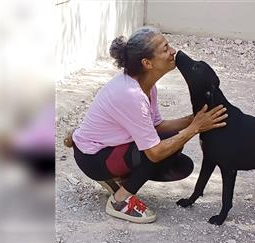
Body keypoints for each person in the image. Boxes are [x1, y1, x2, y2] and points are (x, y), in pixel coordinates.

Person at [65, 26, 228, 224]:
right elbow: (154, 153)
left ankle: (116, 179)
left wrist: (194, 118)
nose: (173, 51)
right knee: (166, 146)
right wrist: (195, 128)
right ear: (147, 63)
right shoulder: (131, 94)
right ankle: (119, 200)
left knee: (181, 164)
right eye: (165, 48)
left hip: (99, 151)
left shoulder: (146, 87)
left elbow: (157, 126)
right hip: (93, 159)